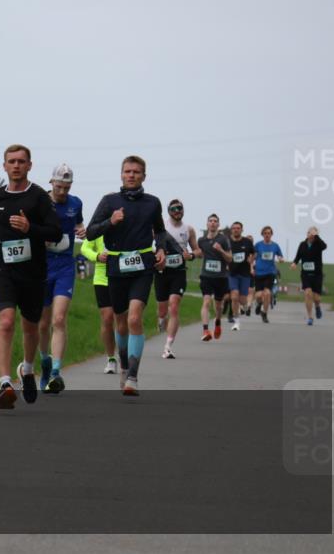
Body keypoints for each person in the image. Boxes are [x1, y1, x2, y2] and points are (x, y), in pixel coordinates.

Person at [0, 144, 62, 408]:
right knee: (6, 321)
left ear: (29, 165)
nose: (16, 166)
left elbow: (55, 233)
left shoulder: (39, 197)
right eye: (11, 161)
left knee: (31, 326)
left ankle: (27, 370)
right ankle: (5, 383)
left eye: (21, 161)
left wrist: (30, 228)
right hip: (2, 270)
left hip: (32, 272)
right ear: (4, 166)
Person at [85, 155, 166, 396]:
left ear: (144, 176)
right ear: (121, 174)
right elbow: (90, 233)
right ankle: (123, 363)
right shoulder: (109, 201)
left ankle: (133, 376)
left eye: (136, 172)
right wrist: (111, 221)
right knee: (120, 323)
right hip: (116, 267)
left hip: (142, 265)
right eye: (127, 171)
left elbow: (160, 231)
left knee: (133, 319)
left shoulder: (153, 203)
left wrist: (160, 248)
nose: (131, 175)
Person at [38, 164, 85, 394]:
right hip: (42, 266)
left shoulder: (75, 203)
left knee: (58, 319)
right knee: (43, 323)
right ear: (51, 183)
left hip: (65, 266)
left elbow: (78, 222)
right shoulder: (40, 201)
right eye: (59, 187)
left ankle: (56, 371)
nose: (63, 192)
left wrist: (81, 229)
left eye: (67, 187)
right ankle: (44, 364)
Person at [153, 199, 198, 359]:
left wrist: (191, 255)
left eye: (180, 208)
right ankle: (160, 319)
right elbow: (147, 243)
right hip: (161, 272)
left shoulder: (189, 229)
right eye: (174, 209)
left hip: (179, 272)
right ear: (169, 211)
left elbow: (198, 251)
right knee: (163, 310)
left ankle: (168, 346)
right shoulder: (160, 226)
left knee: (174, 307)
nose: (177, 211)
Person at [80, 235, 118, 374]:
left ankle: (125, 355)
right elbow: (85, 247)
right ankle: (111, 358)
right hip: (102, 279)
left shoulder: (125, 221)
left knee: (123, 319)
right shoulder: (99, 226)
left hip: (122, 276)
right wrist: (97, 256)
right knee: (107, 318)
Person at [197, 214, 232, 342]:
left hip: (220, 277)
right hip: (206, 276)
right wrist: (193, 254)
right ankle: (206, 330)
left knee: (218, 306)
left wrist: (221, 250)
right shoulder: (201, 240)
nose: (212, 223)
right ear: (207, 224)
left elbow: (230, 258)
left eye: (215, 221)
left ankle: (217, 322)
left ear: (218, 225)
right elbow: (199, 254)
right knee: (206, 302)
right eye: (210, 221)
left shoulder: (223, 239)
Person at [291, 226, 328, 325]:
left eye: (312, 233)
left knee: (317, 298)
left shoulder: (318, 244)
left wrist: (317, 235)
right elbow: (298, 256)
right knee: (307, 293)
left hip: (317, 275)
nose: (310, 234)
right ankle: (310, 316)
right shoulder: (302, 244)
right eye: (308, 232)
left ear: (315, 235)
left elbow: (325, 246)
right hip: (305, 274)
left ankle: (317, 306)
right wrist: (294, 263)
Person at [226, 222, 255, 331]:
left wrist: (251, 260)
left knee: (242, 300)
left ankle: (246, 306)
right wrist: (226, 264)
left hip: (245, 274)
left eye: (238, 228)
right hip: (232, 273)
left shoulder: (247, 242)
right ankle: (236, 321)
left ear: (242, 230)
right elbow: (222, 253)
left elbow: (254, 253)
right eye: (234, 228)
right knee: (234, 296)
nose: (236, 230)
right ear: (231, 230)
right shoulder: (227, 242)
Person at [252, 225, 284, 323]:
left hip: (270, 273)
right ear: (262, 234)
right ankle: (259, 304)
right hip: (259, 273)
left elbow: (280, 256)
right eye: (265, 233)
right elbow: (251, 258)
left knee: (267, 293)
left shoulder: (275, 246)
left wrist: (281, 259)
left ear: (271, 234)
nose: (267, 235)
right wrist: (251, 267)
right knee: (258, 295)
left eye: (269, 233)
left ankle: (264, 313)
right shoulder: (258, 245)